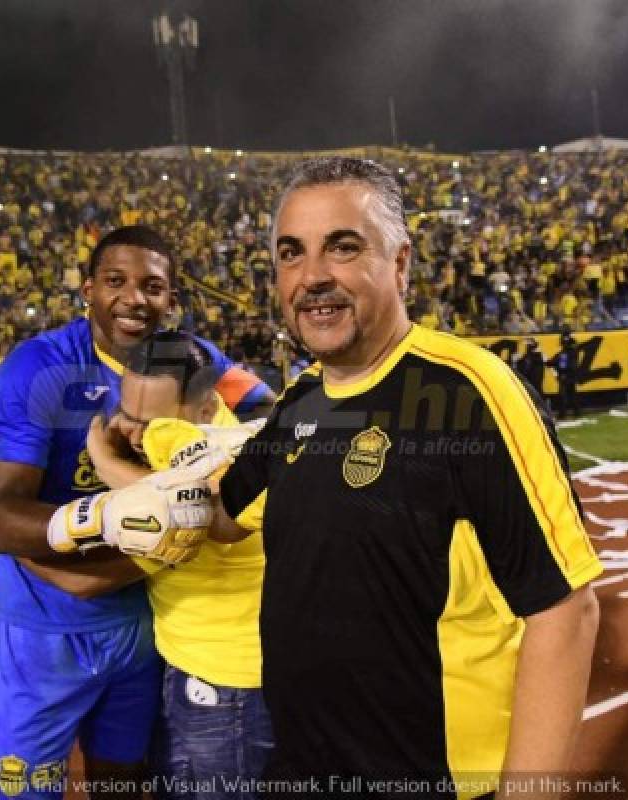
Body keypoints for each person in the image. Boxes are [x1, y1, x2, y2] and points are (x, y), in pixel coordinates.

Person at [206, 158, 602, 799]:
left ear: (400, 264)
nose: (312, 277)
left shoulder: (468, 393)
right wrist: (138, 489)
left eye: (342, 247)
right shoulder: (300, 399)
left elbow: (565, 609)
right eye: (290, 253)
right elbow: (224, 514)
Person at [0, 225, 273, 800]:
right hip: (47, 633)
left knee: (124, 784)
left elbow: (271, 415)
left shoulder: (197, 359)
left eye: (153, 286)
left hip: (142, 628)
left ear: (171, 299)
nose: (135, 298)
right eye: (115, 281)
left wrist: (193, 490)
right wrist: (118, 528)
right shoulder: (37, 369)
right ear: (88, 288)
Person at [30, 329, 274, 800]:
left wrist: (102, 457)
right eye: (130, 415)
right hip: (207, 676)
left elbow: (178, 507)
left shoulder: (209, 451)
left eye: (156, 423)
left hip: (226, 690)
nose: (140, 434)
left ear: (204, 411)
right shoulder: (220, 439)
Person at [547, 331, 582, 419]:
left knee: (563, 395)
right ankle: (576, 412)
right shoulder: (570, 352)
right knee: (572, 394)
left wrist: (561, 373)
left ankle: (563, 414)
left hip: (566, 376)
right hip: (571, 375)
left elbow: (562, 364)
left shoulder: (566, 353)